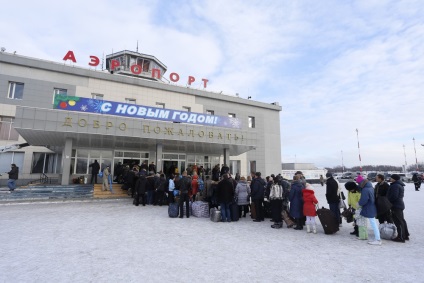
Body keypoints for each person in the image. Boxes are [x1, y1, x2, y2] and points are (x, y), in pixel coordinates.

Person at [357, 179, 382, 245]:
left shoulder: (365, 189)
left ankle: (378, 239)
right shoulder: (370, 188)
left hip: (368, 207)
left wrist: (359, 203)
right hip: (371, 206)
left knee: (373, 223)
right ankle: (377, 238)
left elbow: (364, 199)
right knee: (373, 223)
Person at [387, 174, 410, 243]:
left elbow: (394, 196)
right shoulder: (398, 185)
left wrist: (389, 200)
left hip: (396, 205)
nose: (390, 179)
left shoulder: (395, 186)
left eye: (391, 178)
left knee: (398, 221)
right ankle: (405, 235)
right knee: (401, 220)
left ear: (394, 179)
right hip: (399, 204)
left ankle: (401, 237)